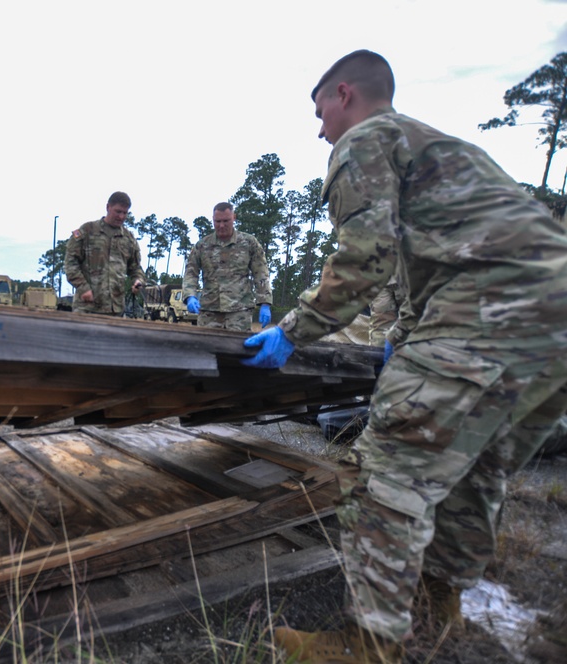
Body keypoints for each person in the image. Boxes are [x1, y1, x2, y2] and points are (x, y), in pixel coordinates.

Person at [242, 50, 567, 662]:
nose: (319, 129)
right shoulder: (444, 149)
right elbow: (443, 250)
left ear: (345, 94)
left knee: (382, 478)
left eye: (319, 112)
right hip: (553, 327)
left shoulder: (368, 138)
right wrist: (412, 331)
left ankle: (368, 642)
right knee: (471, 475)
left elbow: (367, 257)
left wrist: (295, 329)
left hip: (489, 311)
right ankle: (431, 610)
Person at [182, 202, 272, 331]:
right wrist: (190, 296)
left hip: (239, 311)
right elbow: (191, 273)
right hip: (209, 311)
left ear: (234, 218)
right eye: (217, 221)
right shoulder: (202, 246)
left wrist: (265, 302)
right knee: (206, 348)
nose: (221, 225)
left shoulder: (249, 243)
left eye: (226, 221)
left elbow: (261, 273)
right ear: (213, 220)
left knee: (236, 349)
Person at [64, 191, 146, 316]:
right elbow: (71, 262)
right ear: (108, 207)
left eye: (125, 213)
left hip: (115, 310)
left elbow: (135, 268)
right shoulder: (87, 231)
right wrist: (83, 287)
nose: (121, 217)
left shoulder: (128, 239)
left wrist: (138, 281)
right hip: (87, 308)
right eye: (118, 211)